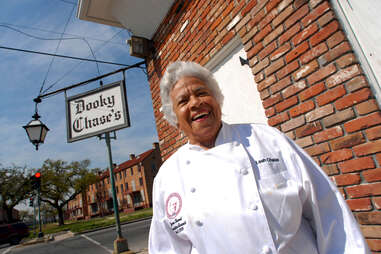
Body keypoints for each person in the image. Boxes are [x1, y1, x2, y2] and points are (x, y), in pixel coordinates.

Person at [148, 61, 370, 254]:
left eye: (202, 93)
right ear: (174, 118)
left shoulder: (267, 140)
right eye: (183, 101)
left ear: (217, 99)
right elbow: (166, 249)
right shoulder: (167, 178)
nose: (196, 103)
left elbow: (328, 210)